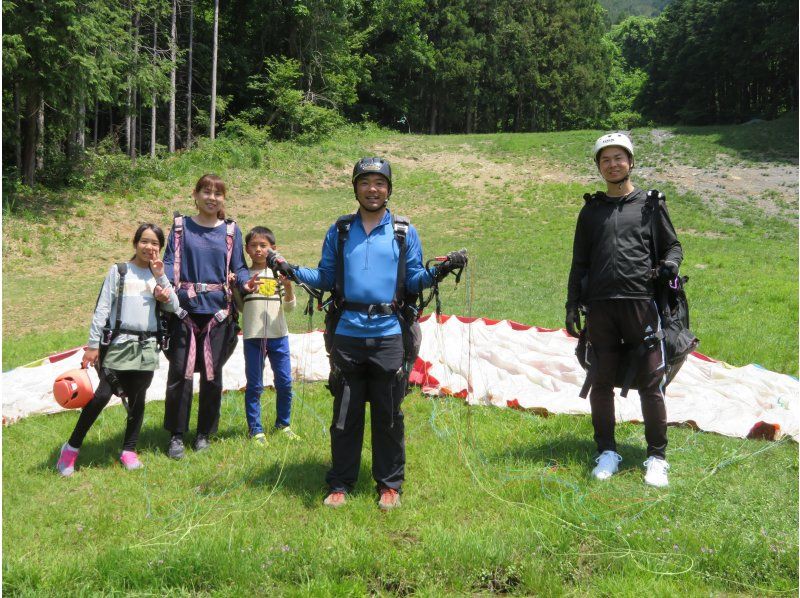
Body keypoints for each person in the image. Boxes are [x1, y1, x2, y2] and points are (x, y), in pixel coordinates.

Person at [267, 157, 466, 509]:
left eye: (380, 183)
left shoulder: (404, 231)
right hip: (347, 333)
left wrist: (442, 270)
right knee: (345, 413)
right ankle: (340, 482)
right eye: (365, 182)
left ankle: (389, 484)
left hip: (390, 333)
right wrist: (290, 269)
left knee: (389, 414)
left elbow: (415, 279)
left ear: (389, 189)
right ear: (355, 187)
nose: (373, 189)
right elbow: (326, 278)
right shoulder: (341, 230)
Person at [565, 133, 683, 488]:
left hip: (641, 305)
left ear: (630, 162)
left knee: (651, 381)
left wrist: (670, 266)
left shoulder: (650, 204)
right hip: (600, 307)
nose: (613, 164)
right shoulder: (591, 211)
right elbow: (579, 262)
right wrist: (572, 305)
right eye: (606, 159)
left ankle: (657, 458)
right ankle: (606, 451)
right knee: (601, 381)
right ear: (599, 166)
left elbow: (673, 246)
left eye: (619, 158)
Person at [56, 223, 180, 476]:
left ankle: (128, 450)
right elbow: (102, 308)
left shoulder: (158, 276)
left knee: (138, 400)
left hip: (146, 347)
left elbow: (174, 307)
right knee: (101, 396)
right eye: (144, 241)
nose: (149, 247)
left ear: (160, 248)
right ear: (135, 243)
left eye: (155, 243)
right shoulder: (120, 271)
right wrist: (93, 345)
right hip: (119, 344)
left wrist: (161, 277)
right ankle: (70, 448)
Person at [160, 174, 260, 459]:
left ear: (223, 200)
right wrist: (162, 283)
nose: (211, 197)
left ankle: (204, 433)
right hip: (184, 312)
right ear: (195, 194)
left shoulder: (230, 231)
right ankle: (177, 435)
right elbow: (170, 262)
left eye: (218, 193)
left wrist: (245, 283)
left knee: (212, 375)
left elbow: (239, 266)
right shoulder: (181, 228)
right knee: (180, 373)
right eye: (206, 191)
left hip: (218, 313)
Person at [234, 226, 298, 445]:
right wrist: (236, 288)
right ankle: (255, 429)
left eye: (263, 245)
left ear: (273, 249)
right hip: (253, 337)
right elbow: (241, 308)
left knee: (285, 382)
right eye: (254, 246)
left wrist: (288, 287)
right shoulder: (244, 277)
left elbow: (289, 308)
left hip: (279, 336)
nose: (259, 250)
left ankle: (283, 424)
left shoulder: (279, 275)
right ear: (247, 250)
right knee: (255, 384)